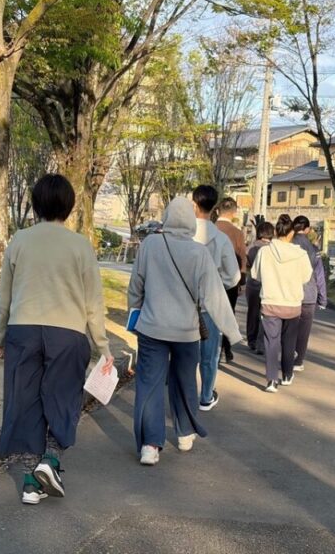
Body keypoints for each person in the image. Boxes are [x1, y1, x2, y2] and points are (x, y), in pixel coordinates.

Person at [0, 174, 115, 505]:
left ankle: (30, 483)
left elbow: (4, 297)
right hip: (68, 334)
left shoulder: (20, 240)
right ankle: (50, 460)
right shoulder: (80, 246)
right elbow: (93, 303)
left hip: (23, 331)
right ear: (69, 206)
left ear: (35, 205)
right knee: (64, 400)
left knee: (25, 403)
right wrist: (103, 347)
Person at [129, 197, 243, 466]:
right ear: (191, 222)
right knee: (185, 381)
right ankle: (184, 433)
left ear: (167, 217)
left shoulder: (150, 245)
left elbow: (136, 286)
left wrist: (135, 311)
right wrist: (232, 332)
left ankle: (150, 445)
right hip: (187, 331)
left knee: (150, 385)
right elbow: (215, 296)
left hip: (152, 328)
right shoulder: (199, 252)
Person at [190, 185, 240, 412]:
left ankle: (183, 393)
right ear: (214, 208)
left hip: (182, 302)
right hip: (209, 303)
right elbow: (233, 276)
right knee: (209, 354)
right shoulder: (220, 239)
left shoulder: (183, 236)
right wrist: (219, 284)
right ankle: (206, 395)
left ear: (194, 204)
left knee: (184, 352)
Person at [251, 214, 313, 392]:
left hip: (270, 301)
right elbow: (306, 277)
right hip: (292, 303)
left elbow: (256, 275)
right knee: (289, 340)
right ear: (291, 232)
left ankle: (271, 380)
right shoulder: (300, 254)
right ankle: (287, 374)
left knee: (271, 341)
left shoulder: (264, 252)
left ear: (276, 232)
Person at [291, 216, 328, 373]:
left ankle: (287, 356)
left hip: (290, 293)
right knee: (303, 331)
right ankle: (298, 360)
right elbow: (319, 275)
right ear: (307, 229)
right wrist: (322, 299)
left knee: (288, 328)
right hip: (309, 294)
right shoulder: (313, 249)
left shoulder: (288, 245)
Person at [215, 197, 248, 363]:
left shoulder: (210, 229)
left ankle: (212, 348)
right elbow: (242, 258)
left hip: (211, 280)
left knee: (211, 314)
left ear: (217, 211)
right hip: (231, 281)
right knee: (229, 314)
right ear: (234, 213)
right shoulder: (237, 233)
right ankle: (226, 349)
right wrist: (242, 282)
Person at [245, 221, 275, 354]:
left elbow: (246, 264)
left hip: (253, 284)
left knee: (252, 312)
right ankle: (261, 342)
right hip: (269, 285)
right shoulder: (273, 248)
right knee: (266, 314)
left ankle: (251, 340)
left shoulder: (251, 247)